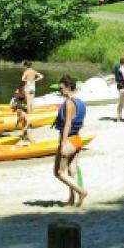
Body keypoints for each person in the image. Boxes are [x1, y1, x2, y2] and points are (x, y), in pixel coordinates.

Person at [52, 76, 87, 207]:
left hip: (69, 140)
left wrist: (64, 143)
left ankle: (81, 192)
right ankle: (73, 200)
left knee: (59, 172)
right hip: (77, 139)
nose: (60, 91)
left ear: (68, 87)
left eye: (61, 88)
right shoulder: (81, 103)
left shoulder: (68, 103)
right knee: (72, 170)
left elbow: (67, 124)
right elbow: (81, 123)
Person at [113, 56, 124, 122]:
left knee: (122, 102)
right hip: (123, 85)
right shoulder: (122, 68)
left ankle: (119, 116)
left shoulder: (117, 67)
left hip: (120, 85)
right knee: (122, 102)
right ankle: (118, 117)